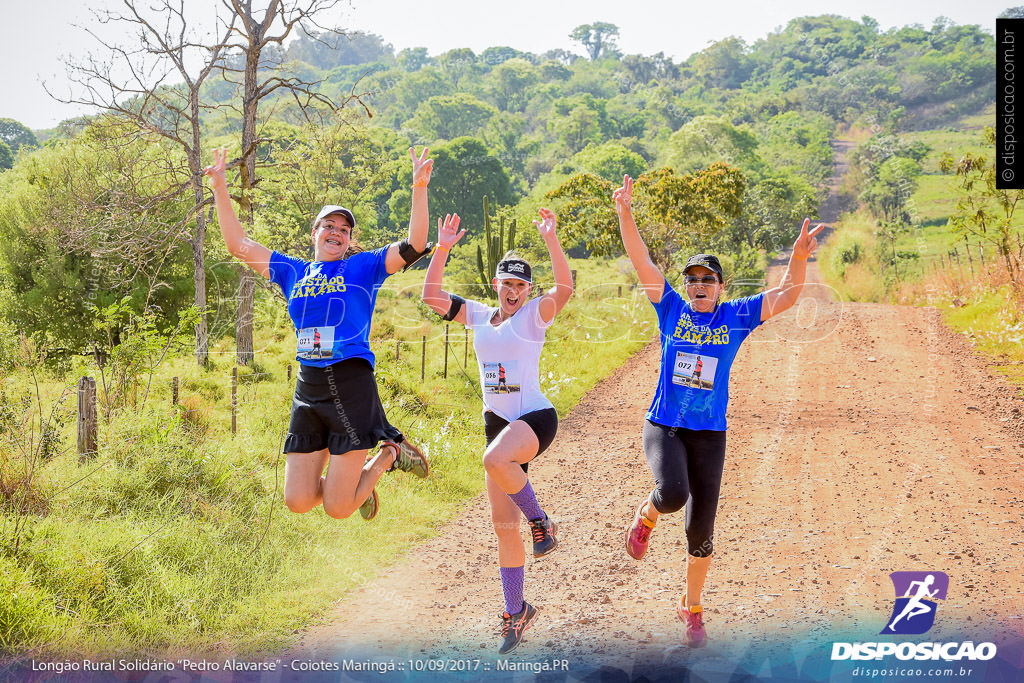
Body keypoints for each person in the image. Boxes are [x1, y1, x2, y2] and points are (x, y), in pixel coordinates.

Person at [613, 173, 823, 647]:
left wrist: (799, 258)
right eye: (693, 279)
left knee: (701, 531)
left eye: (708, 279)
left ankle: (692, 608)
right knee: (672, 494)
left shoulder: (736, 316)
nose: (699, 285)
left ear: (722, 287)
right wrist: (626, 211)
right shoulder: (671, 309)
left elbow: (789, 294)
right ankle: (646, 515)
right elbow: (641, 259)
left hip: (710, 432)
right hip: (665, 424)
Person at [204, 147, 434, 523]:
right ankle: (356, 481)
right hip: (308, 386)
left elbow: (415, 245)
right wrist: (219, 188)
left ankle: (390, 454)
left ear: (349, 240)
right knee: (297, 500)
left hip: (350, 381)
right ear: (314, 232)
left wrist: (418, 187)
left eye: (344, 230)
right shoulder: (291, 270)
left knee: (337, 507)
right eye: (329, 226)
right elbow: (238, 246)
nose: (337, 233)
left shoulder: (364, 266)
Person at [422, 208, 573, 655]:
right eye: (506, 283)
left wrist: (551, 239)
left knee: (493, 459)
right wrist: (443, 248)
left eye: (520, 285)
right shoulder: (477, 315)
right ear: (496, 285)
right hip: (498, 424)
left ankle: (541, 521)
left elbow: (565, 288)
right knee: (502, 527)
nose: (512, 291)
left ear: (529, 290)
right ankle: (516, 611)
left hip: (534, 419)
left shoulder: (534, 317)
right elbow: (430, 295)